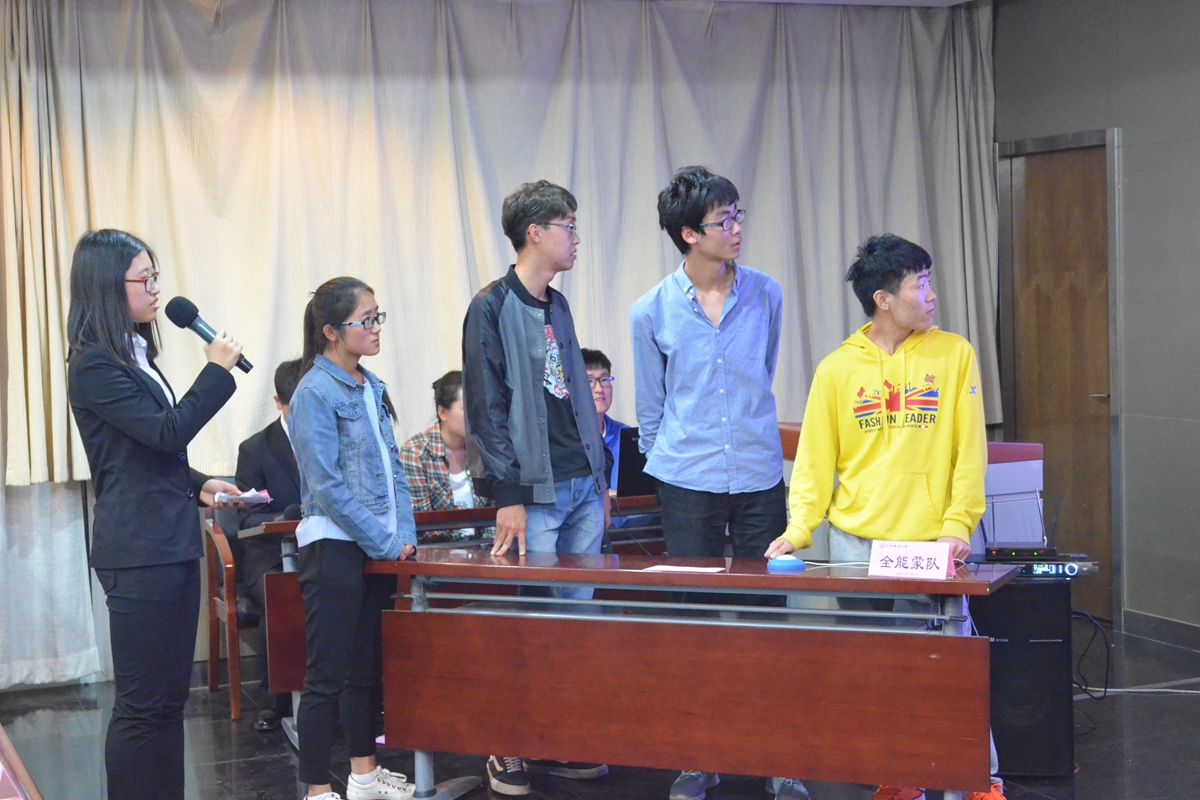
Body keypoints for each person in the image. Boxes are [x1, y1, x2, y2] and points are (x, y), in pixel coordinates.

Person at [764, 234, 1003, 800]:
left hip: (929, 543)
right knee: (876, 669)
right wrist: (798, 530)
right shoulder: (837, 369)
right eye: (921, 284)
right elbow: (815, 463)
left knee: (950, 666)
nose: (933, 295)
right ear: (884, 299)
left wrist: (957, 526)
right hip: (857, 544)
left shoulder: (954, 354)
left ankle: (980, 779)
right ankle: (900, 774)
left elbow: (970, 452)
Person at [629, 167, 804, 800]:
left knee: (769, 616)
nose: (735, 228)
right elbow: (651, 405)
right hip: (687, 477)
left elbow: (763, 370)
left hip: (758, 473)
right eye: (721, 220)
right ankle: (696, 755)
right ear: (688, 233)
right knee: (692, 617)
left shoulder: (766, 292)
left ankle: (777, 757)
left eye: (737, 215)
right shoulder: (650, 310)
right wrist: (669, 461)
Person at [66, 229, 245, 800]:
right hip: (138, 552)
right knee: (142, 707)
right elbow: (167, 433)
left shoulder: (134, 354)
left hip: (169, 542)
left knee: (170, 703)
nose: (155, 288)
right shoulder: (93, 365)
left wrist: (200, 485)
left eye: (155, 275)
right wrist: (216, 372)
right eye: (144, 278)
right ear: (106, 286)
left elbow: (143, 453)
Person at [461, 180, 611, 796]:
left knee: (573, 626)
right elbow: (486, 406)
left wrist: (601, 478)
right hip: (534, 491)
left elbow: (574, 393)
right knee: (526, 620)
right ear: (535, 233)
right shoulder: (491, 305)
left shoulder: (559, 305)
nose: (575, 237)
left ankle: (559, 737)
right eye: (567, 226)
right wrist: (509, 495)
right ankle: (509, 744)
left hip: (581, 485)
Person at [288, 277, 417, 800]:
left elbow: (395, 469)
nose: (375, 327)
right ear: (330, 332)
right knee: (326, 675)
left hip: (378, 544)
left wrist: (402, 535)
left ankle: (364, 777)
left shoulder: (372, 385)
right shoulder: (313, 392)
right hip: (333, 545)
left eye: (377, 316)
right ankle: (318, 790)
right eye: (365, 320)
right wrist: (385, 543)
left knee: (365, 670)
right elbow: (326, 487)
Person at [233, 357, 304, 731]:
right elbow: (248, 518)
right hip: (270, 552)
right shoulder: (255, 449)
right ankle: (278, 700)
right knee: (281, 593)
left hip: (323, 547)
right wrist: (286, 518)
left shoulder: (335, 438)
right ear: (278, 402)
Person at [399, 370, 494, 542]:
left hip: (483, 549)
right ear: (442, 413)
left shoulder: (484, 448)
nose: (474, 414)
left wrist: (486, 551)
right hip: (437, 550)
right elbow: (421, 524)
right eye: (466, 408)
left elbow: (495, 514)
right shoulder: (415, 453)